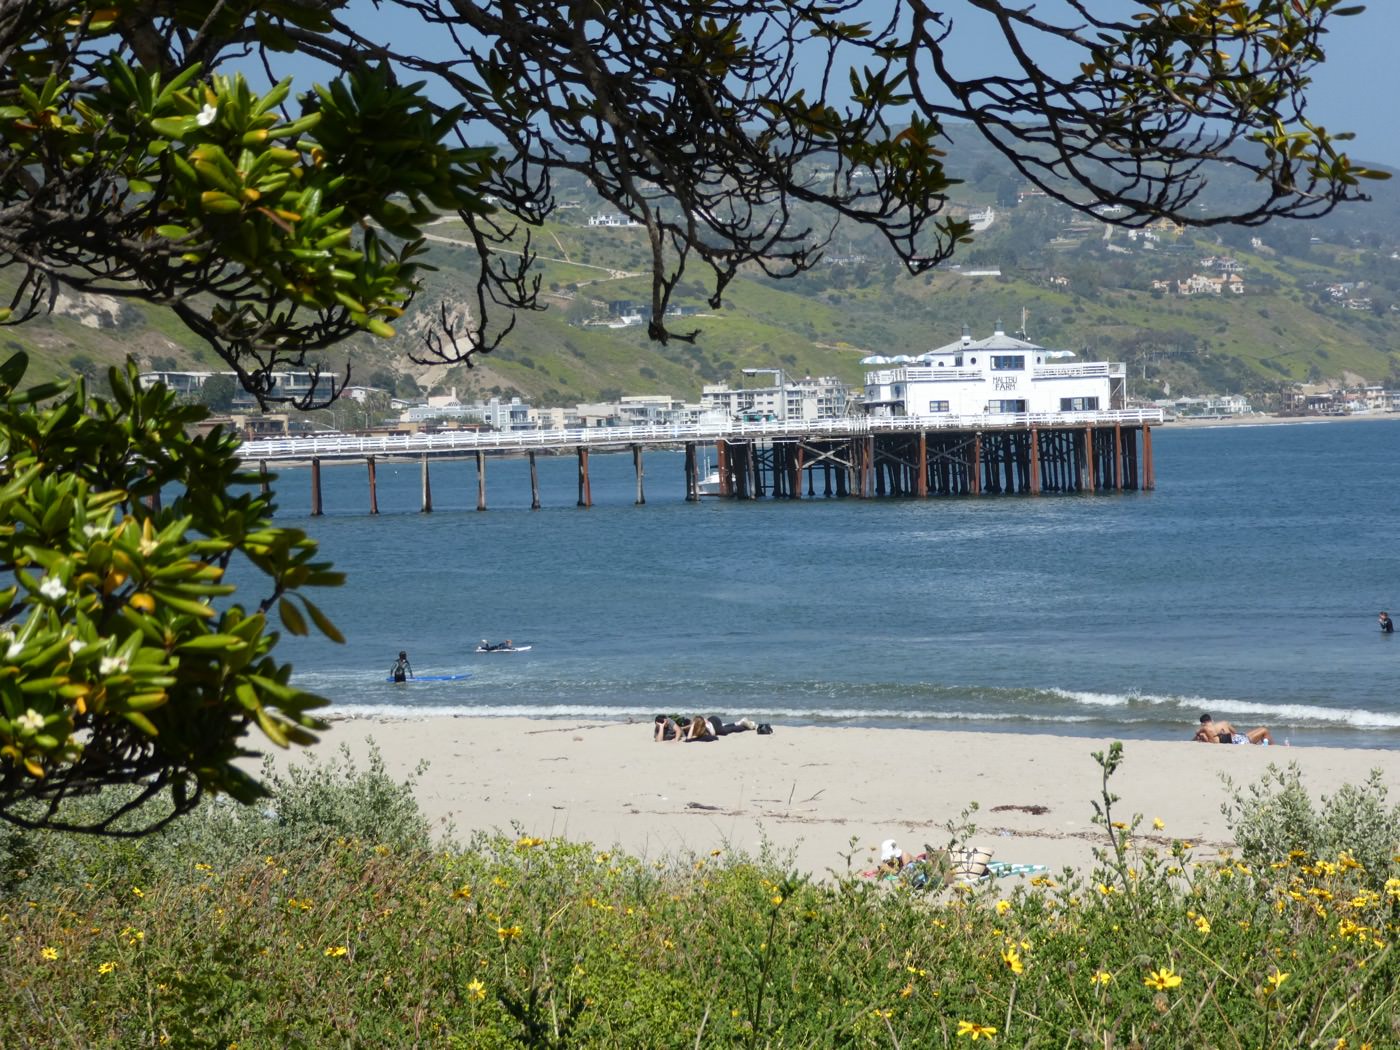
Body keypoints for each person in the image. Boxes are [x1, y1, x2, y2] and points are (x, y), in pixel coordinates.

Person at [1193, 712, 1271, 745]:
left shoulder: (1205, 731)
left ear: (1202, 723)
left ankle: (1266, 745)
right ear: (1212, 720)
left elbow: (1198, 736)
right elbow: (1235, 732)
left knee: (1263, 731)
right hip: (1237, 738)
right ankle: (1270, 747)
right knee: (1264, 730)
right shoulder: (1223, 723)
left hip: (1236, 739)